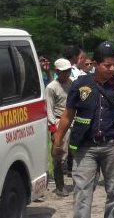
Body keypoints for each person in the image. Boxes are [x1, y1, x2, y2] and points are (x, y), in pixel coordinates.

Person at [51, 41, 114, 218]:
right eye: (107, 65)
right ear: (95, 64)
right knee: (82, 192)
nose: (112, 68)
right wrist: (58, 141)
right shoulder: (80, 84)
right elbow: (67, 115)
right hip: (85, 147)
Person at [46, 58, 74, 197]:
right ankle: (60, 185)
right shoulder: (51, 87)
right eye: (64, 71)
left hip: (74, 120)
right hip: (58, 121)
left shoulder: (72, 83)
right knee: (59, 154)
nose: (67, 73)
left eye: (68, 70)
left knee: (76, 152)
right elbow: (49, 109)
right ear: (57, 71)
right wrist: (53, 129)